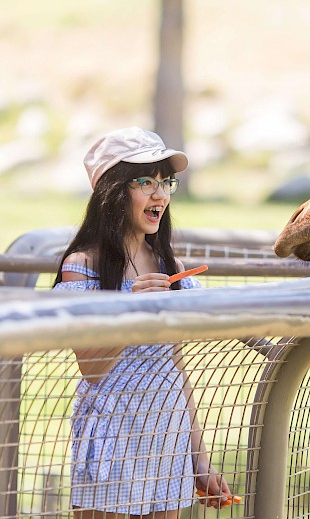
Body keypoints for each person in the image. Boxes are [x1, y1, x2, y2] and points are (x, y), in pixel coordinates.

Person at [52, 127, 231, 518]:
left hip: (168, 434)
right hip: (113, 435)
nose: (160, 194)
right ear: (113, 192)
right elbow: (92, 368)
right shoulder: (81, 267)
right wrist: (133, 312)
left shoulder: (172, 267)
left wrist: (197, 458)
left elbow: (177, 367)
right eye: (146, 182)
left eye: (166, 182)